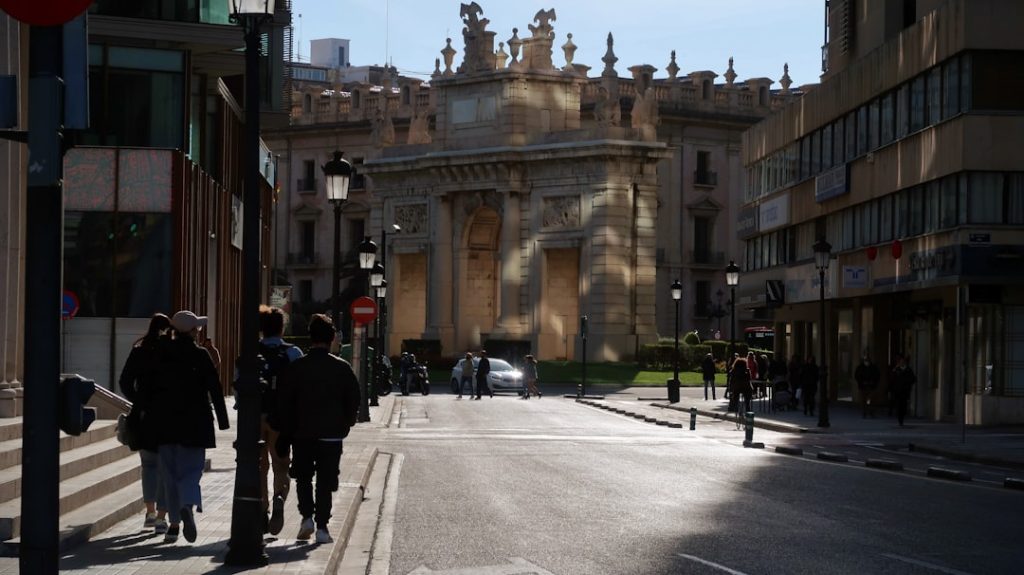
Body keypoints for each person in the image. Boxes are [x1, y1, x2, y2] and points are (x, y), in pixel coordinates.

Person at [274, 314, 361, 544]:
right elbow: (354, 399)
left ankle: (306, 518)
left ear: (310, 338)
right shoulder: (342, 368)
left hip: (302, 433)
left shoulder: (297, 368)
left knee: (303, 477)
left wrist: (287, 429)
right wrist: (346, 423)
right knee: (326, 480)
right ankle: (323, 526)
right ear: (332, 338)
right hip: (332, 434)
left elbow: (286, 401)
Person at [148, 310, 230, 544]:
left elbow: (148, 386)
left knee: (169, 476)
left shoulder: (161, 354)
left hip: (165, 423)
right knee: (191, 472)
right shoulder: (200, 354)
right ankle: (187, 505)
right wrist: (223, 422)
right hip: (195, 423)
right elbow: (214, 387)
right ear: (193, 331)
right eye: (198, 329)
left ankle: (174, 525)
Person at [118, 312, 171, 534]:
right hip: (168, 414)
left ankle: (149, 512)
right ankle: (161, 517)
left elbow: (124, 381)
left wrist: (138, 400)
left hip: (144, 415)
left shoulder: (139, 351)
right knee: (166, 467)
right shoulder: (169, 351)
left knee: (148, 465)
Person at [258, 305, 303, 535]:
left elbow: (238, 387)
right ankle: (278, 497)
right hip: (282, 418)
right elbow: (302, 386)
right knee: (281, 465)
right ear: (282, 328)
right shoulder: (293, 353)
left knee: (258, 467)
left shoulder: (251, 351)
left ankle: (262, 507)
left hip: (255, 417)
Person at [890, 354, 917, 426]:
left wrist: (908, 384)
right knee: (899, 405)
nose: (901, 363)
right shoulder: (896, 370)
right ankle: (900, 419)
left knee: (904, 405)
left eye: (903, 361)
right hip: (897, 391)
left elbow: (913, 379)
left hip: (905, 391)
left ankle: (902, 416)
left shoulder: (908, 370)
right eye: (900, 361)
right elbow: (892, 379)